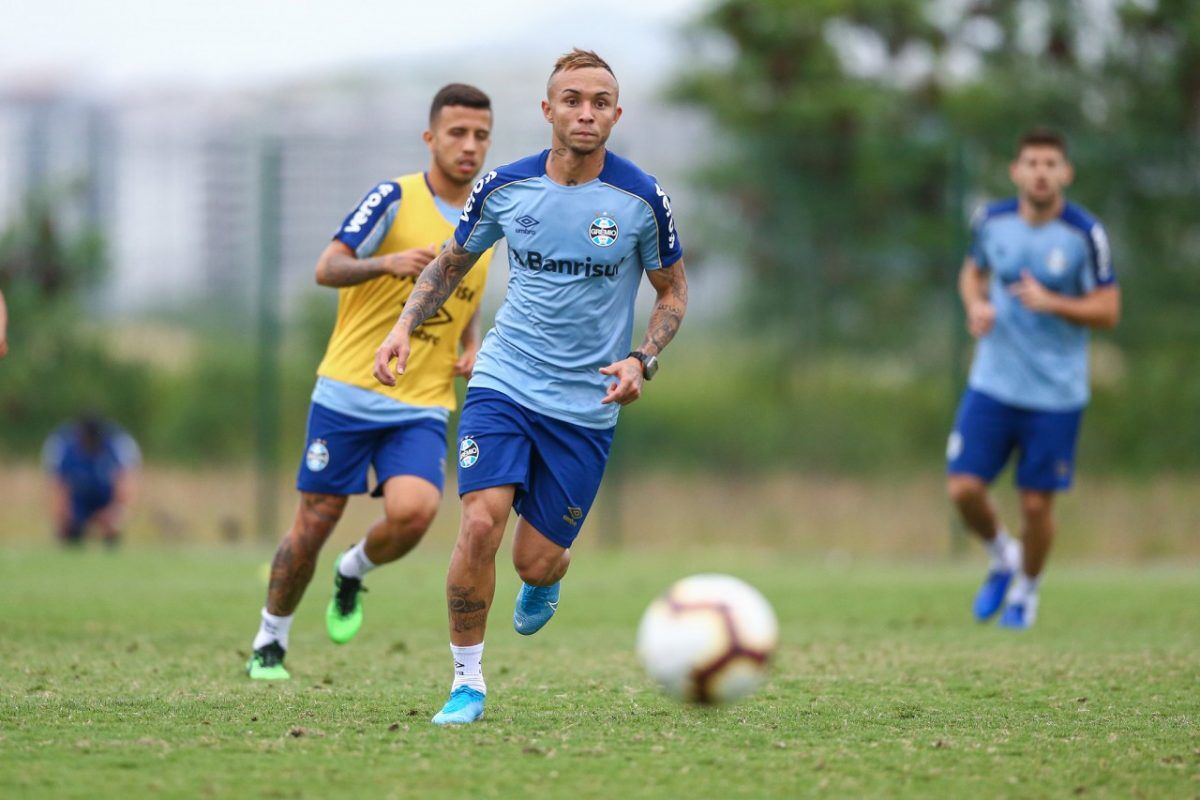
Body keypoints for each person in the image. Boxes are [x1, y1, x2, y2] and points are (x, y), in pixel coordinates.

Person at [374, 48, 689, 724]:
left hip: (586, 405)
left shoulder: (641, 199)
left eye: (599, 101)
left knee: (536, 561)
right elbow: (450, 265)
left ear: (616, 114)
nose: (585, 111)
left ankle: (545, 579)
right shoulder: (506, 187)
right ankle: (467, 683)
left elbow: (672, 295)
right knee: (480, 520)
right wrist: (403, 327)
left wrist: (641, 360)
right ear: (547, 110)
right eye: (572, 99)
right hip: (504, 381)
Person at [245, 84, 497, 680]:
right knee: (314, 522)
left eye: (480, 136)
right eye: (457, 133)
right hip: (348, 392)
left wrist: (470, 339)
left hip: (422, 400)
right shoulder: (394, 196)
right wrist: (388, 262)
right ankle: (270, 638)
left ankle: (353, 571)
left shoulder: (487, 213)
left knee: (417, 513)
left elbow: (467, 289)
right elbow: (326, 267)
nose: (469, 147)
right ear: (430, 137)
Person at [947, 128, 1121, 630]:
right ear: (1016, 171)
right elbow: (972, 272)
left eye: (1050, 163)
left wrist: (1055, 302)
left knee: (1036, 504)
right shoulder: (992, 220)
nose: (1041, 172)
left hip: (1055, 395)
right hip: (993, 382)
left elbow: (1109, 310)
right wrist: (976, 306)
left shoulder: (1085, 235)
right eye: (1032, 162)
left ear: (1065, 173)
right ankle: (1003, 555)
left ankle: (1027, 590)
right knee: (962, 489)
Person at [43, 414, 141, 546]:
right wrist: (64, 514)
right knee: (67, 527)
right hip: (78, 498)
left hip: (105, 497)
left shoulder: (118, 445)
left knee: (114, 522)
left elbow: (126, 483)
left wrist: (115, 510)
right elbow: (58, 486)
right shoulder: (61, 446)